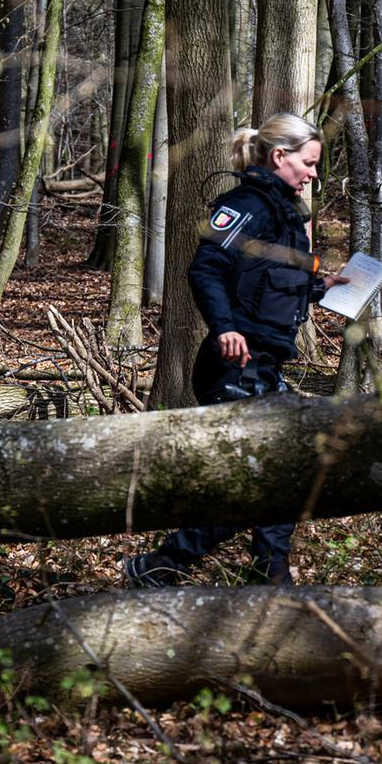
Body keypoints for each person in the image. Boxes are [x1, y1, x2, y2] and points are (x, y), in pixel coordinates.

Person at [123, 114, 349, 588]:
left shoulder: (288, 217)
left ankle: (268, 576)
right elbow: (205, 268)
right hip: (232, 366)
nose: (313, 174)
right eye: (309, 164)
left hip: (266, 366)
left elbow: (269, 286)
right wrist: (225, 328)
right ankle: (163, 566)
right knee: (258, 481)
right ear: (279, 156)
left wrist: (321, 287)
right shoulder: (245, 206)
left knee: (287, 471)